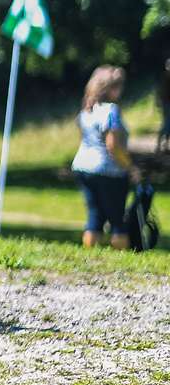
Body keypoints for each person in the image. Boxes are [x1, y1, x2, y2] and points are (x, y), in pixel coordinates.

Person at [72, 65, 140, 250]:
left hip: (83, 166)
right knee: (117, 219)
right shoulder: (111, 111)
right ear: (111, 89)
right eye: (118, 86)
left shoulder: (86, 109)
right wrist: (130, 167)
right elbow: (113, 145)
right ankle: (122, 258)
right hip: (108, 170)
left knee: (95, 215)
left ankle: (89, 256)